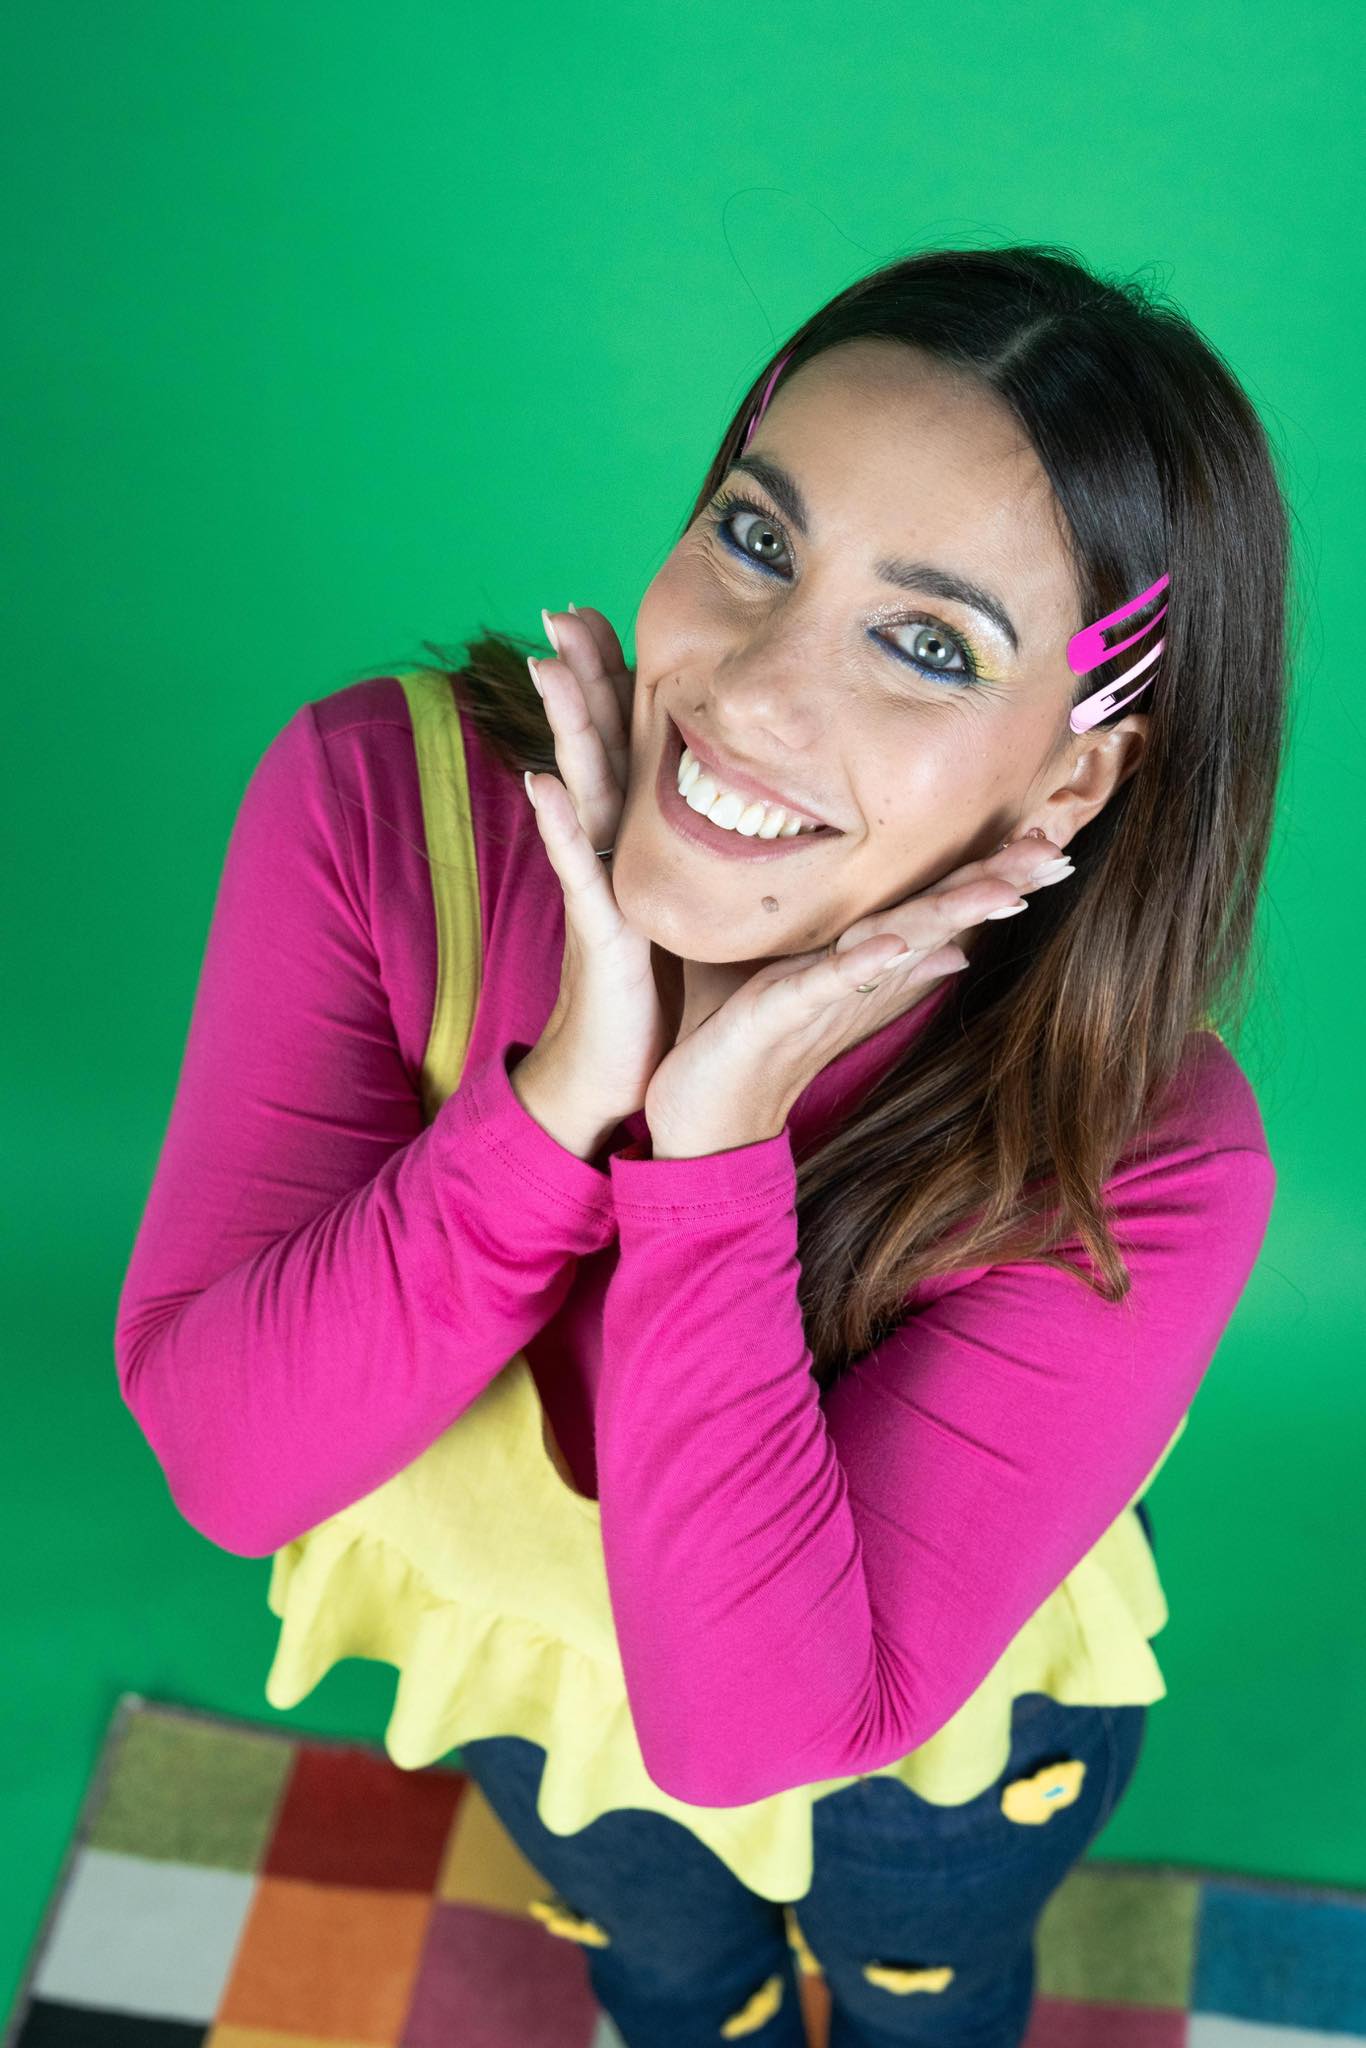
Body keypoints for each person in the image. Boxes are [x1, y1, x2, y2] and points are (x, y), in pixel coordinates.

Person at [114, 243, 1287, 2047]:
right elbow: (230, 1464)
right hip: (529, 1689)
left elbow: (765, 1727)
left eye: (924, 644)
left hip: (930, 1762)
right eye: (756, 537)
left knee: (923, 1996)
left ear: (1066, 777)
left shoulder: (1145, 1158)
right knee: (666, 1983)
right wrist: (561, 1095)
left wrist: (709, 1144)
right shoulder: (378, 807)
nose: (747, 691)